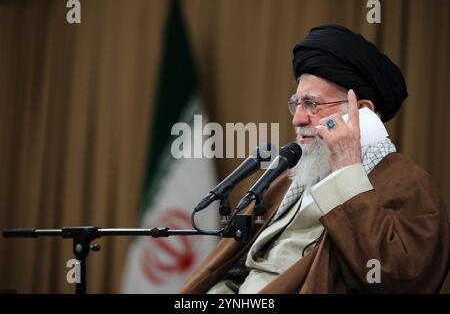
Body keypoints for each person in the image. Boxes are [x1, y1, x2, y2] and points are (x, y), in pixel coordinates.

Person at [179, 25, 449, 294]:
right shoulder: (289, 183)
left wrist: (347, 172)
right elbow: (234, 270)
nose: (297, 119)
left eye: (311, 104)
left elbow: (401, 280)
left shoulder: (408, 184)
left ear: (361, 112)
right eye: (296, 104)